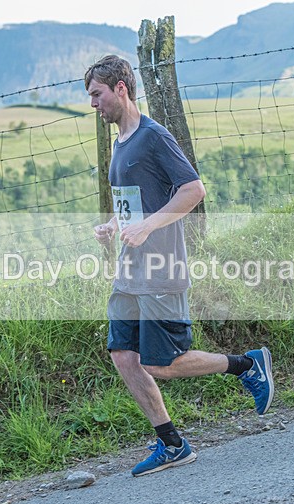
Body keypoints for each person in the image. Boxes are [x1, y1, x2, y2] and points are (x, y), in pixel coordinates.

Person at [85, 55, 275, 477]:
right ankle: (172, 444)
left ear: (120, 88)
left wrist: (149, 226)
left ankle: (247, 364)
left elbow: (194, 190)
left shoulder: (154, 137)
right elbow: (136, 204)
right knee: (122, 355)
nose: (93, 104)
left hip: (161, 268)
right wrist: (115, 225)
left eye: (97, 95)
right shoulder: (120, 143)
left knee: (160, 363)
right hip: (130, 270)